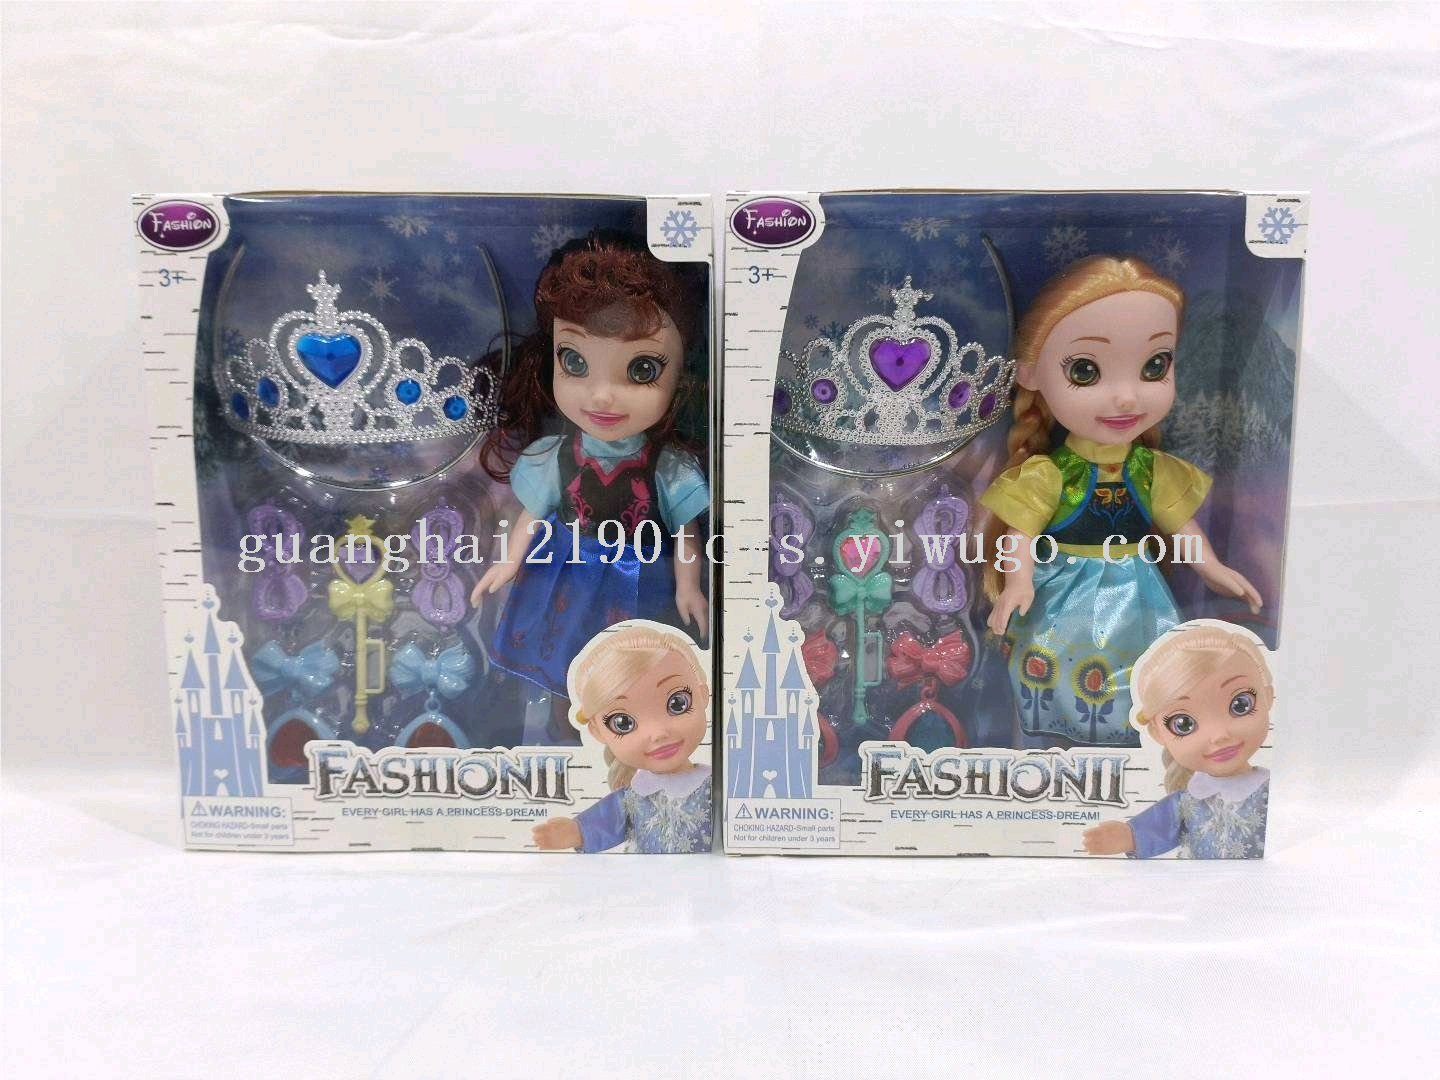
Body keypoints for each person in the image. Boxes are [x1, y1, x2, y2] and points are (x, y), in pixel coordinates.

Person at [980, 256, 1260, 747]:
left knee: (1144, 671)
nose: (1128, 398)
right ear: (1030, 374)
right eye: (1086, 371)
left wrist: (1212, 567)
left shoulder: (1150, 470)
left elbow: (1182, 526)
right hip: (1063, 591)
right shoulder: (1050, 474)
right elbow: (1019, 534)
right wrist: (1018, 581)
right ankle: (1058, 745)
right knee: (1058, 670)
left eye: (1154, 366)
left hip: (1137, 594)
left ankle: (1136, 746)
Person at [470, 232, 710, 711]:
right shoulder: (555, 454)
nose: (601, 396)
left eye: (642, 369)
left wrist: (688, 586)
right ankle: (559, 724)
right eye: (575, 362)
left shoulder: (668, 467)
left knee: (627, 678)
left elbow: (688, 533)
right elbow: (531, 516)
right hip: (565, 572)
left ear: (682, 376)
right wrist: (510, 561)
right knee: (562, 666)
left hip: (635, 579)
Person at [1082, 620, 1274, 858]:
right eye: (1184, 724)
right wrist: (1128, 836)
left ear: (1267, 697)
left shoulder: (1273, 790)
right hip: (1192, 880)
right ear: (1157, 733)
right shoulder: (1190, 799)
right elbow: (1155, 828)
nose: (1220, 735)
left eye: (1240, 705)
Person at [532, 621, 712, 853]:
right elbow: (605, 822)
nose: (658, 733)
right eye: (623, 723)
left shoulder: (713, 785)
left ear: (703, 695)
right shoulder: (635, 795)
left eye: (677, 703)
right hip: (641, 874)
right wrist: (576, 832)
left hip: (708, 873)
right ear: (597, 731)